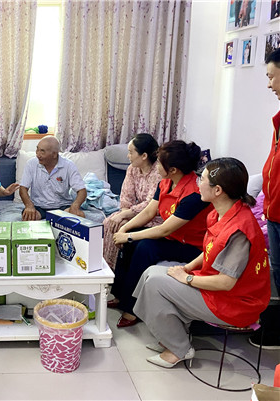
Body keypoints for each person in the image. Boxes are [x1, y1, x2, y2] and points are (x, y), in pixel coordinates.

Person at [132, 158, 270, 368]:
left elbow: (226, 283)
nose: (197, 184)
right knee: (151, 272)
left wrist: (186, 279)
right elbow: (209, 250)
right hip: (217, 289)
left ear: (218, 190)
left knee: (155, 284)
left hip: (235, 303)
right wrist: (188, 267)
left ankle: (178, 349)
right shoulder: (218, 214)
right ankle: (172, 337)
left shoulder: (239, 230)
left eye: (202, 180)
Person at [110, 140, 213, 328]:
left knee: (145, 247)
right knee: (132, 238)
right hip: (173, 238)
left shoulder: (194, 195)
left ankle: (132, 309)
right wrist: (125, 230)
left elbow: (165, 229)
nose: (156, 166)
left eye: (159, 163)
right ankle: (120, 295)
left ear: (173, 169)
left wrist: (129, 236)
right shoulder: (166, 182)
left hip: (192, 247)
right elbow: (149, 212)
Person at [103, 134, 163, 270]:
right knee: (109, 223)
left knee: (120, 224)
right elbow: (126, 197)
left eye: (131, 152)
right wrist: (125, 216)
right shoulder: (132, 168)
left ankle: (118, 270)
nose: (128, 156)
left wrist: (125, 216)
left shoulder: (158, 172)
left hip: (154, 216)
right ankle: (108, 268)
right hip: (135, 213)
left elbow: (150, 204)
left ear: (144, 156)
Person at [254, 47, 280, 348]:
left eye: (272, 77)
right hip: (273, 213)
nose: (269, 84)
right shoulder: (278, 120)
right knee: (279, 274)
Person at [19, 136, 87, 220]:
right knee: (28, 217)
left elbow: (82, 191)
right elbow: (23, 188)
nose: (38, 155)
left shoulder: (69, 165)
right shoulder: (31, 164)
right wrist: (29, 205)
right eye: (37, 149)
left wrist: (75, 206)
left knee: (80, 216)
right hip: (38, 207)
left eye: (42, 151)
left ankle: (58, 219)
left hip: (62, 207)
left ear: (54, 154)